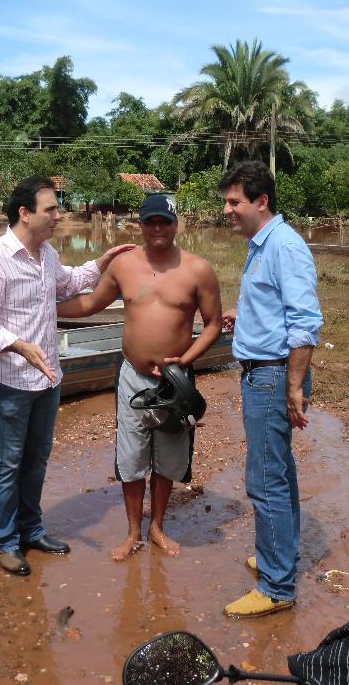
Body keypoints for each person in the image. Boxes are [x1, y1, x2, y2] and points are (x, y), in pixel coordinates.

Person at [0, 176, 135, 576]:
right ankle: (5, 541)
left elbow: (70, 282)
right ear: (25, 214)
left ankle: (31, 528)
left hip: (47, 379)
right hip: (10, 380)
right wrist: (19, 345)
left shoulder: (46, 255)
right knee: (8, 462)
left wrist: (103, 261)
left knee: (37, 460)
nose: (59, 215)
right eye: (51, 209)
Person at [57, 193, 222, 561]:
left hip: (175, 381)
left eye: (164, 221)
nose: (158, 228)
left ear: (176, 224)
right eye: (150, 222)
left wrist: (186, 359)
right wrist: (40, 309)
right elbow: (89, 304)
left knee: (168, 456)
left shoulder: (199, 269)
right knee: (131, 458)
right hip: (132, 375)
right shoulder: (123, 265)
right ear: (141, 225)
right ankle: (133, 532)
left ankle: (157, 527)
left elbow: (212, 325)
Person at [218, 160, 323, 618]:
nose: (227, 210)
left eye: (234, 201)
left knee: (265, 480)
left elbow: (305, 324)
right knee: (278, 472)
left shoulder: (284, 246)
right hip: (266, 369)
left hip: (274, 376)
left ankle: (277, 585)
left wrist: (294, 386)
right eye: (226, 201)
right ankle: (276, 555)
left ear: (262, 202)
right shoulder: (261, 243)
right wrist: (247, 319)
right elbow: (278, 306)